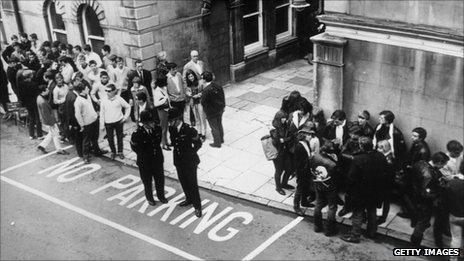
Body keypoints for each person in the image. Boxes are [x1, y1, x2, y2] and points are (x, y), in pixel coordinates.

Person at [342, 137, 388, 243]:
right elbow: (385, 172)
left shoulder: (358, 159)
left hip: (360, 192)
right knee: (372, 211)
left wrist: (349, 190)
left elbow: (351, 178)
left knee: (358, 213)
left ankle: (354, 236)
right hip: (375, 190)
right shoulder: (380, 156)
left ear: (361, 146)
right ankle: (371, 232)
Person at [409, 152, 450, 248]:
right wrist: (438, 193)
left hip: (414, 196)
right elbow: (426, 193)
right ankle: (415, 243)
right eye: (443, 164)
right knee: (422, 222)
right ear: (439, 162)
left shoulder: (421, 163)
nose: (443, 167)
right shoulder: (429, 176)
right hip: (424, 203)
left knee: (420, 219)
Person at [168, 107, 203, 217]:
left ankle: (197, 206)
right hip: (178, 160)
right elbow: (174, 142)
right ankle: (189, 199)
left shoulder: (189, 129)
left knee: (192, 184)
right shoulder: (172, 129)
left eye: (171, 121)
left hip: (189, 162)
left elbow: (198, 143)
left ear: (177, 119)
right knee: (183, 181)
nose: (170, 123)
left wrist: (191, 153)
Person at [130, 110, 168, 206]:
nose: (153, 124)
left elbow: (158, 142)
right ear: (145, 123)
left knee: (160, 180)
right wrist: (144, 155)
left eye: (153, 122)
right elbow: (134, 147)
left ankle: (161, 196)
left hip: (157, 159)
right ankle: (150, 198)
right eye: (150, 122)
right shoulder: (137, 133)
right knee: (147, 182)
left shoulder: (157, 129)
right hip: (145, 162)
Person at [311, 141, 339, 236]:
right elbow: (335, 177)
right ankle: (329, 230)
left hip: (319, 184)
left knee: (318, 204)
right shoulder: (332, 164)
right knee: (332, 207)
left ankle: (317, 226)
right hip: (330, 187)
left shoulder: (315, 157)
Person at [74, 82, 107, 164]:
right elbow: (77, 115)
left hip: (94, 120)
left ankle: (97, 151)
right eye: (86, 88)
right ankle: (85, 156)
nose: (88, 89)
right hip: (87, 123)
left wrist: (96, 114)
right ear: (82, 90)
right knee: (86, 141)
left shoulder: (87, 96)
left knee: (95, 137)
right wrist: (82, 125)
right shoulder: (78, 101)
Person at [100, 83, 131, 160]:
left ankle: (120, 152)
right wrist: (102, 125)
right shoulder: (103, 100)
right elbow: (102, 113)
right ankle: (113, 152)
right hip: (108, 123)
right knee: (110, 139)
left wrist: (125, 117)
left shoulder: (119, 99)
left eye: (109, 91)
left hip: (118, 121)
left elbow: (128, 106)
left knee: (119, 138)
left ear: (114, 91)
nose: (107, 92)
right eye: (106, 91)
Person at [36, 84, 69, 155]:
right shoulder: (43, 102)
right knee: (55, 134)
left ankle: (42, 146)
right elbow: (47, 115)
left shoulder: (39, 98)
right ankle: (59, 149)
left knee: (52, 133)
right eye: (47, 89)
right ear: (43, 92)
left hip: (47, 120)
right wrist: (52, 123)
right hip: (50, 121)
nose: (48, 90)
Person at [271, 97, 294, 195]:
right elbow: (279, 138)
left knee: (289, 168)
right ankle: (278, 187)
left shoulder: (285, 114)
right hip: (279, 149)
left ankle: (284, 183)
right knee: (279, 169)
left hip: (285, 147)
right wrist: (287, 139)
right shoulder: (281, 115)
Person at [293, 127, 316, 216]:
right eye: (309, 135)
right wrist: (309, 158)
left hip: (307, 170)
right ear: (303, 135)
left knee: (306, 186)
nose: (310, 137)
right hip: (302, 171)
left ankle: (304, 202)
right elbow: (298, 161)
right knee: (299, 188)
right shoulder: (299, 146)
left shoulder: (306, 143)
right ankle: (296, 206)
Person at [444, 161, 464, 261]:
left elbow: (446, 201)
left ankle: (453, 259)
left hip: (455, 215)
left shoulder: (451, 183)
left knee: (456, 238)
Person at [376, 140, 399, 225]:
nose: (378, 150)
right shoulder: (387, 156)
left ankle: (383, 218)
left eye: (380, 148)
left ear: (385, 148)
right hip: (386, 183)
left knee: (386, 201)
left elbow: (386, 174)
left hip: (386, 184)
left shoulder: (388, 160)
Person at [200, 71, 225, 148]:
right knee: (219, 124)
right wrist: (223, 106)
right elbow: (222, 97)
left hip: (211, 112)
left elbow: (203, 102)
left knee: (214, 127)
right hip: (219, 109)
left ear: (204, 80)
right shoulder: (218, 85)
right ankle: (221, 139)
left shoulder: (206, 90)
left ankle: (217, 143)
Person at [18, 70, 43, 139]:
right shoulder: (34, 84)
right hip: (34, 102)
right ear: (30, 76)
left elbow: (21, 95)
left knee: (31, 118)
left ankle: (31, 135)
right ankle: (39, 135)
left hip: (27, 103)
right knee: (37, 118)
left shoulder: (20, 84)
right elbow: (37, 93)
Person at [185, 69, 206, 140]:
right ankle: (199, 132)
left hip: (200, 102)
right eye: (189, 77)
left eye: (192, 76)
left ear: (194, 75)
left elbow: (204, 91)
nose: (191, 78)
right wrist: (191, 96)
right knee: (197, 118)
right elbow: (187, 94)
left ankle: (204, 133)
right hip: (193, 103)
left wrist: (199, 94)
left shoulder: (200, 82)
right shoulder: (188, 86)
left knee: (202, 117)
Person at [153, 76, 172, 150]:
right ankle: (163, 144)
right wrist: (164, 99)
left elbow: (167, 97)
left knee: (166, 127)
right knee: (163, 128)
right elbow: (156, 103)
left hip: (167, 109)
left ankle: (166, 141)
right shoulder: (157, 91)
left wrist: (170, 106)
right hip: (161, 111)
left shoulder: (164, 88)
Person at [52, 73, 69, 140]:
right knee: (63, 122)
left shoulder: (66, 86)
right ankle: (63, 135)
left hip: (68, 105)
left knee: (68, 121)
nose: (60, 81)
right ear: (56, 80)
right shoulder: (55, 90)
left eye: (61, 79)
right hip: (61, 107)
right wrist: (63, 100)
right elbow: (55, 101)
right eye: (58, 79)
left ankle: (68, 134)